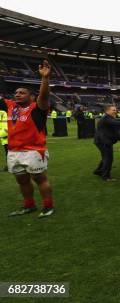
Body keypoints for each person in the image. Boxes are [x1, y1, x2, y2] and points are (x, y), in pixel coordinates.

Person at [1, 60, 56, 218]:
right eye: (16, 92)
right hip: (13, 151)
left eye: (22, 93)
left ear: (32, 97)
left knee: (40, 179)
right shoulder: (11, 106)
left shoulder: (37, 108)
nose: (17, 94)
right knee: (22, 181)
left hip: (33, 151)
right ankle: (29, 205)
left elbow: (44, 96)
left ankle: (48, 206)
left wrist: (45, 79)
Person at [93, 105, 120, 181]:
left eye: (116, 110)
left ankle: (98, 171)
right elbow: (114, 123)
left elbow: (113, 130)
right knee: (108, 159)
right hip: (103, 142)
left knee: (105, 157)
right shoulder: (106, 118)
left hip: (104, 141)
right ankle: (106, 177)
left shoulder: (111, 118)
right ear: (107, 111)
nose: (115, 111)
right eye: (113, 110)